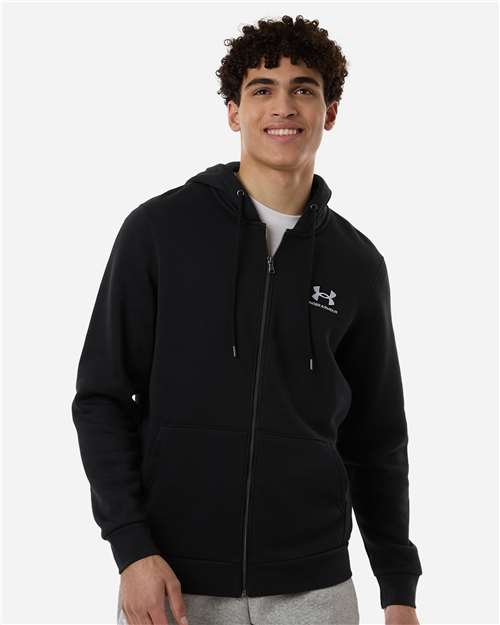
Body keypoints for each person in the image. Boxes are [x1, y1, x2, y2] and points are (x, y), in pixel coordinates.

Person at [72, 14, 423, 625]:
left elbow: (378, 438)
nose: (282, 106)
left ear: (329, 112)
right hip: (173, 581)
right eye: (262, 89)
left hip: (315, 588)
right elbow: (101, 398)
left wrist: (398, 591)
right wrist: (132, 550)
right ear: (234, 112)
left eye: (303, 89)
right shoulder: (159, 231)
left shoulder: (356, 263)